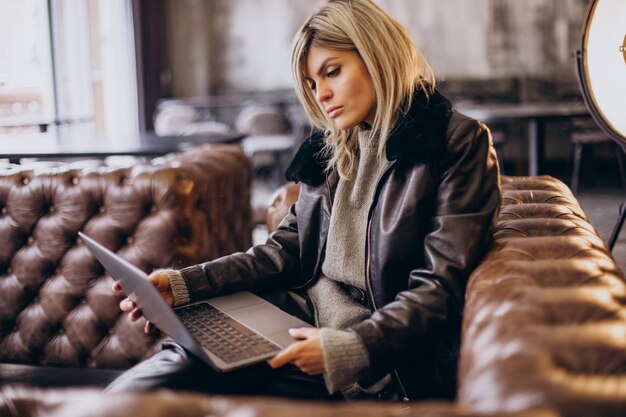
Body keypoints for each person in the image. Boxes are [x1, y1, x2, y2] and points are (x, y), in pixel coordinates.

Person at [106, 0, 500, 402]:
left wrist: (348, 347)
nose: (322, 94)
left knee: (169, 386)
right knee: (170, 365)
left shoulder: (454, 143)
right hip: (297, 316)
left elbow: (440, 289)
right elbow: (281, 252)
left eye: (332, 71)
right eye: (312, 83)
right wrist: (183, 284)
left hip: (378, 359)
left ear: (378, 56)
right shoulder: (330, 149)